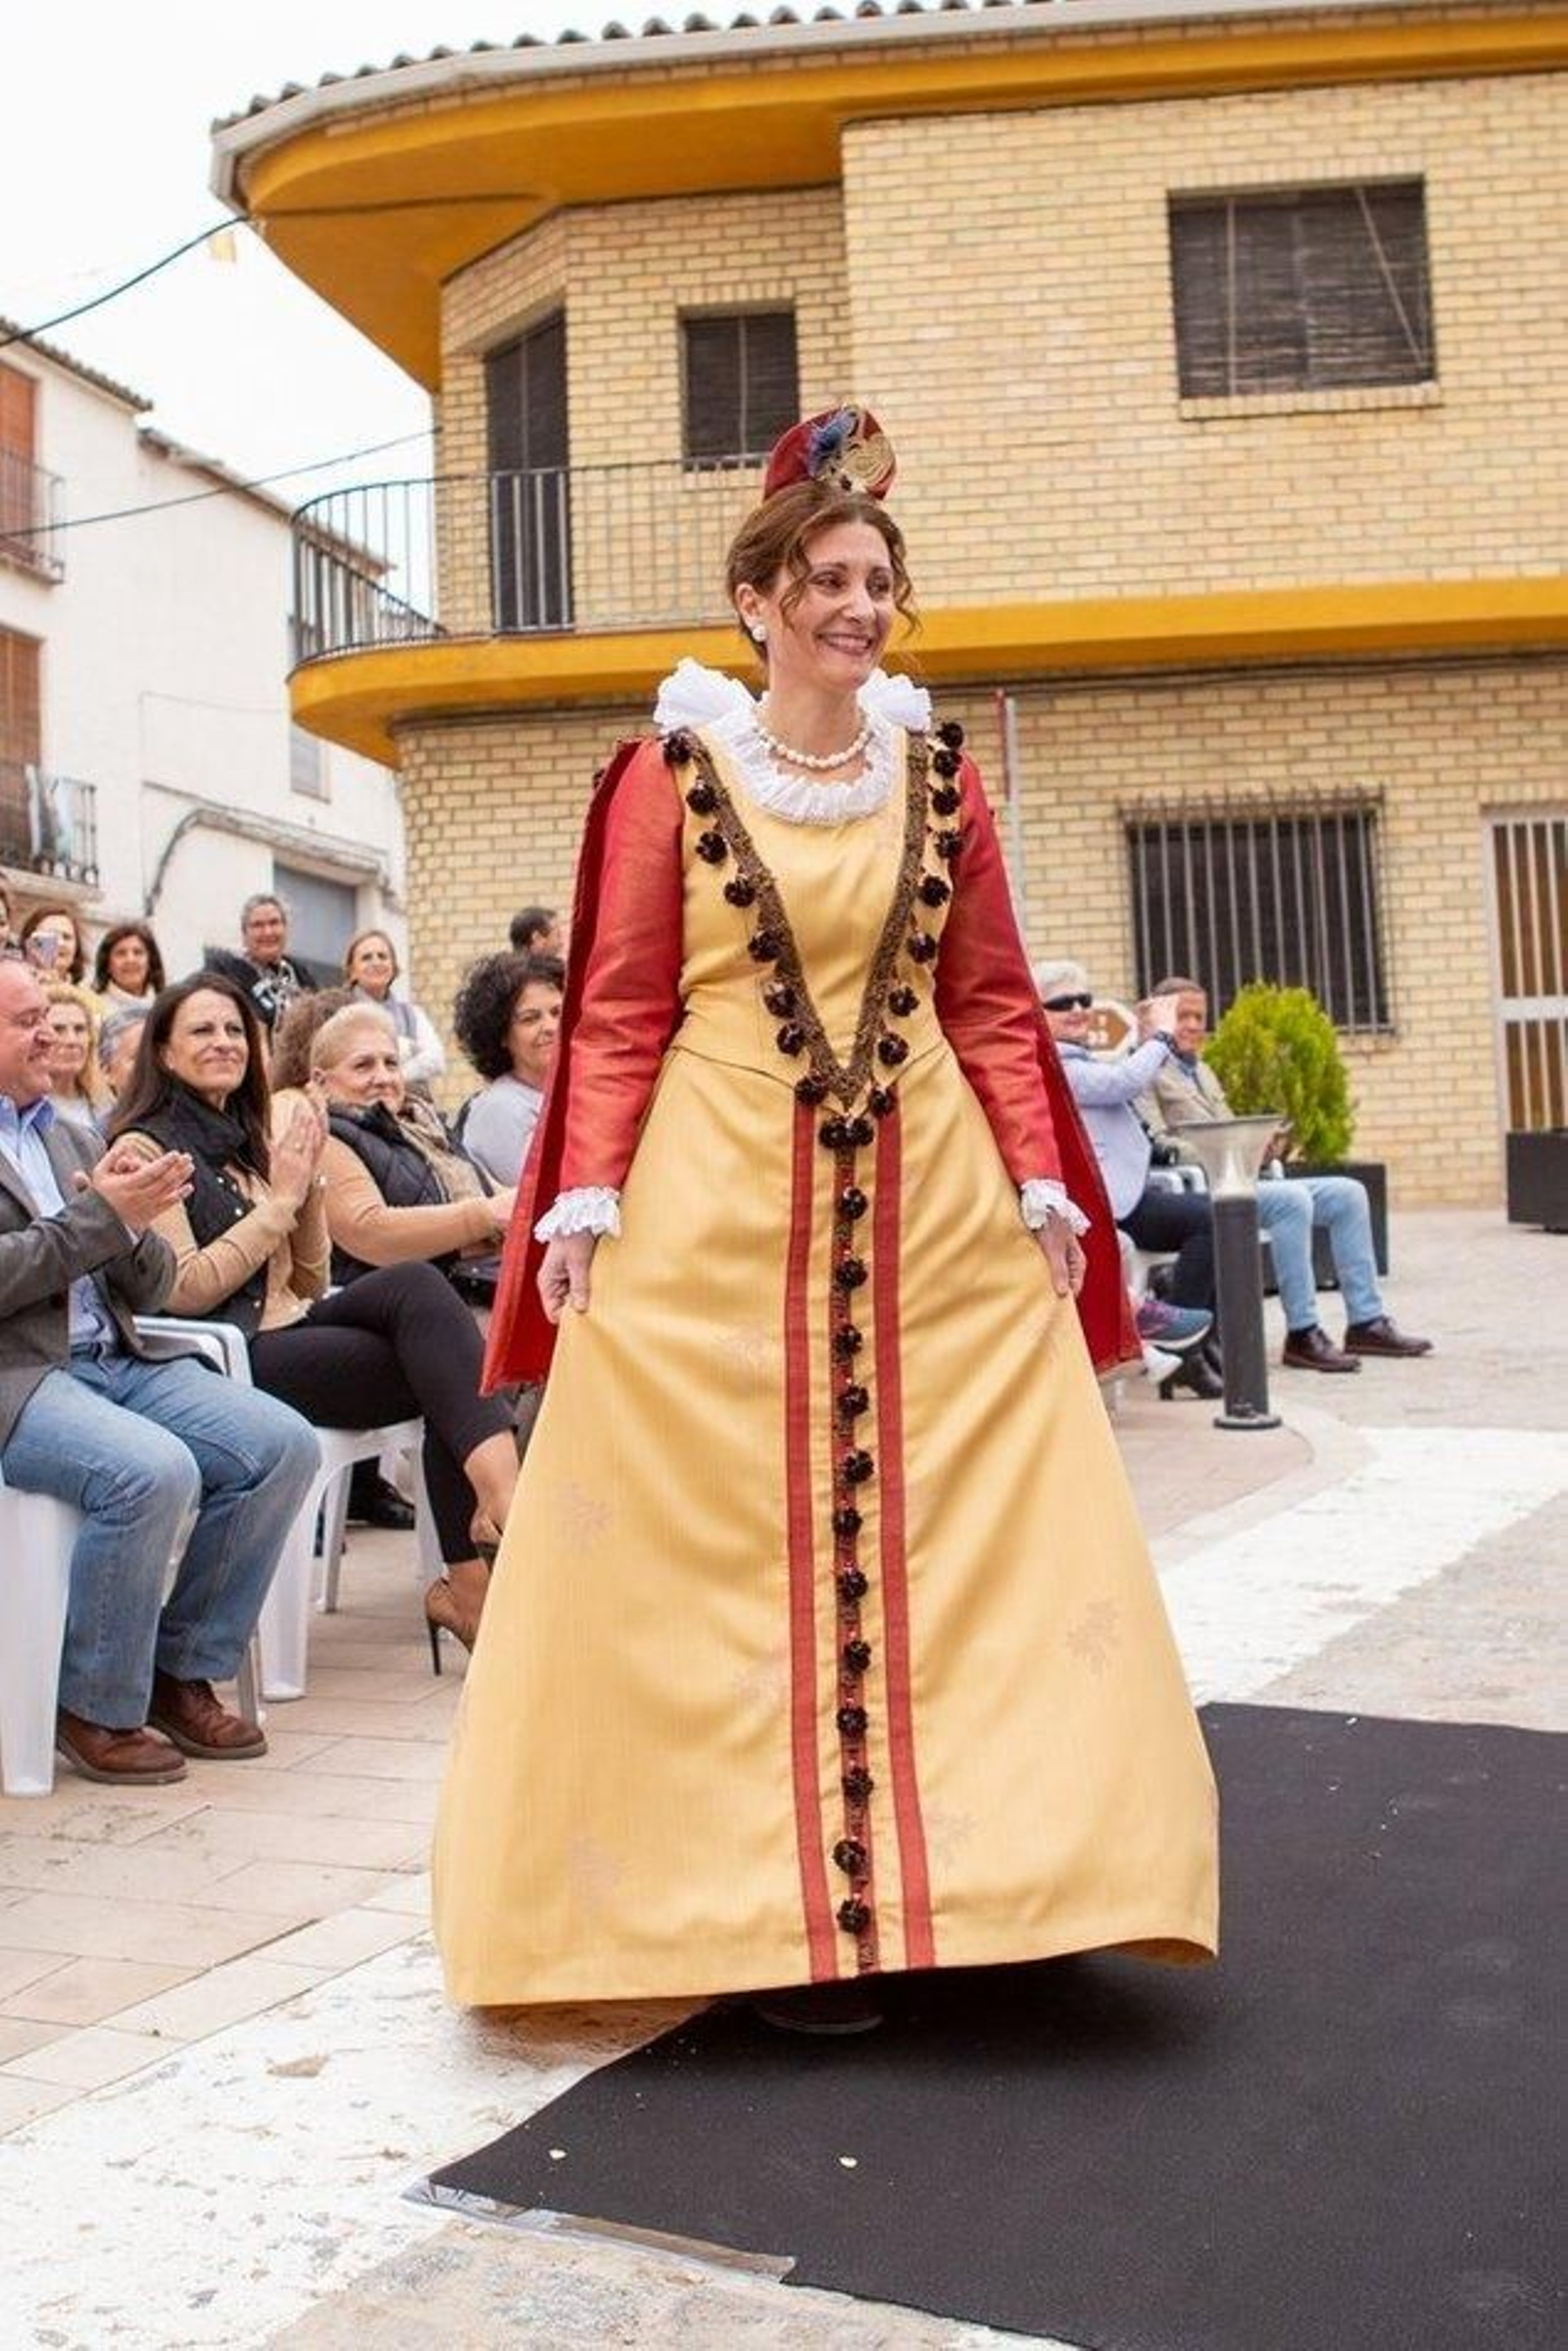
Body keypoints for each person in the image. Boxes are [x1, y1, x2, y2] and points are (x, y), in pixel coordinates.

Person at [433, 403, 1218, 2030]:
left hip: (928, 1198)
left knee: (980, 1524)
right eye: (831, 579)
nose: (860, 606)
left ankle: (1010, 1880)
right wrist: (584, 1192)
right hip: (718, 1200)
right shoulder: (670, 775)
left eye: (878, 581)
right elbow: (624, 1004)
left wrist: (1038, 1176)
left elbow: (993, 1001)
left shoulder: (936, 778)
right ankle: (748, 1914)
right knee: (718, 1550)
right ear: (762, 601)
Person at [111, 975, 521, 1662]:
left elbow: (306, 1279)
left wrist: (303, 1191)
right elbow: (184, 1288)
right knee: (446, 1368)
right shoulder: (147, 1148)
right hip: (222, 1353)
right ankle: (493, 1546)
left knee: (422, 1295)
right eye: (203, 1030)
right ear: (164, 1050)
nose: (223, 1042)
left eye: (235, 1030)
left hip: (286, 1321)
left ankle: (492, 1530)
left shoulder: (248, 1135)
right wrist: (282, 1199)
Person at [0, 957, 318, 1786]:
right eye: (26, 1020)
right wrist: (99, 1219)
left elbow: (148, 1285)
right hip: (24, 1375)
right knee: (153, 1470)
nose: (50, 1033)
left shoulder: (73, 1129)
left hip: (119, 1355)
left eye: (50, 1015)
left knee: (281, 1445)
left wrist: (135, 1226)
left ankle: (180, 1670)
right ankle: (94, 1703)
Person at [1140, 976, 1432, 1371]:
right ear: (1159, 1017)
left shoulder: (1202, 1071)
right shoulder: (1146, 1069)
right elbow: (1157, 1144)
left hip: (1245, 1177)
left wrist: (1261, 1145)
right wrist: (1236, 1148)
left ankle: (1366, 1321)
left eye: (1199, 1016)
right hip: (1206, 1190)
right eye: (1182, 1015)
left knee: (1348, 1194)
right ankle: (1302, 1333)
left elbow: (1224, 1127)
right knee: (1292, 1202)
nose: (1193, 1025)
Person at [1036, 959, 1221, 1400]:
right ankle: (1178, 1341)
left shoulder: (1078, 1057)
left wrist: (1145, 1038)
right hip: (1105, 1202)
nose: (1079, 1008)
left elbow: (1119, 1077)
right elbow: (1123, 1082)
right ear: (1036, 1012)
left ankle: (1184, 1334)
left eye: (1085, 1000)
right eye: (1063, 1002)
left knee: (1215, 1219)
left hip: (1126, 1191)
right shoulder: (1056, 1062)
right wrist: (1159, 1036)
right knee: (1207, 1220)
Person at [308, 1002, 514, 1295]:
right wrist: (485, 1218)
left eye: (391, 1063)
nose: (383, 1078)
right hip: (400, 1312)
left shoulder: (424, 1126)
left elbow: (497, 1195)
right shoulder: (325, 1136)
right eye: (363, 1065)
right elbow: (369, 1231)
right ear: (320, 1081)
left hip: (479, 1281)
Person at [451, 952, 564, 1187]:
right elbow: (539, 1201)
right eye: (530, 1019)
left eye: (557, 1013)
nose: (551, 1027)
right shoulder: (498, 1108)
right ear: (501, 1035)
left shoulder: (567, 1091)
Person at [342, 928, 446, 1090]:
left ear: (393, 967)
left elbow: (436, 1060)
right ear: (352, 971)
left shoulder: (412, 1013)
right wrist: (410, 1048)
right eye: (366, 958)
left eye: (382, 956)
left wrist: (395, 1078)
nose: (376, 962)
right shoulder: (342, 1013)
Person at [206, 893, 314, 1035]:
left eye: (274, 923)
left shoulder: (299, 973)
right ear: (244, 934)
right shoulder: (225, 970)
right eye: (257, 925)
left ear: (285, 929)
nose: (267, 932)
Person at [43, 980, 108, 1132]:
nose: (72, 1040)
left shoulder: (106, 1105)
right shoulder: (27, 1110)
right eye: (58, 1029)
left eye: (79, 1029)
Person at [91, 919, 166, 1010]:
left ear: (151, 962)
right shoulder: (94, 1008)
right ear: (107, 966)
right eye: (121, 953)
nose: (130, 960)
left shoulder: (165, 1007)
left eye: (138, 952)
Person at [96, 1004, 151, 1109]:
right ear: (106, 1071)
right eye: (138, 1057)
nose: (151, 1064)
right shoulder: (107, 1125)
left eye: (159, 1054)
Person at [19, 905, 86, 985]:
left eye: (66, 937)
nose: (60, 943)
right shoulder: (12, 983)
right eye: (51, 934)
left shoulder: (86, 995)